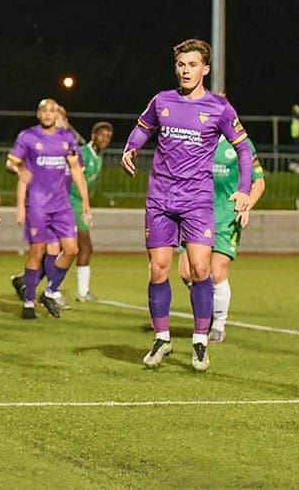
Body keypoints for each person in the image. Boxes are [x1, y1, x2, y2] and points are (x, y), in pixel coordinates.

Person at [121, 38, 252, 372]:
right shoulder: (162, 100)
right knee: (159, 268)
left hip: (197, 200)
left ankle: (200, 342)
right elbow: (141, 129)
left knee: (199, 268)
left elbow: (244, 150)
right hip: (160, 198)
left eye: (192, 65)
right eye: (181, 65)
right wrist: (130, 148)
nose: (185, 71)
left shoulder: (219, 108)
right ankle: (162, 339)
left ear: (205, 68)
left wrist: (244, 189)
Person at [177, 131, 266, 342]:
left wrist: (246, 207)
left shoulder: (240, 144)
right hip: (197, 216)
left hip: (227, 218)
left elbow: (259, 182)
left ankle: (217, 325)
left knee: (217, 271)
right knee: (187, 271)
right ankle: (206, 306)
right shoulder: (197, 139)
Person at [7, 98, 90, 319]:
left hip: (61, 205)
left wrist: (85, 202)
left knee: (72, 249)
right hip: (38, 204)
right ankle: (29, 302)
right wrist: (18, 172)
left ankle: (51, 291)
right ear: (38, 114)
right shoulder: (28, 136)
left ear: (58, 115)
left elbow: (77, 171)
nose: (48, 114)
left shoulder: (67, 139)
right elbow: (12, 163)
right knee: (38, 252)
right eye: (44, 110)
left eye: (52, 111)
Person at [71, 121, 113, 302]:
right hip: (71, 202)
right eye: (102, 135)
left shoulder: (98, 156)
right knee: (84, 246)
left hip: (80, 204)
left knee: (62, 248)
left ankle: (26, 280)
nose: (105, 139)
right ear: (93, 135)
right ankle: (81, 292)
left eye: (108, 137)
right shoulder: (82, 153)